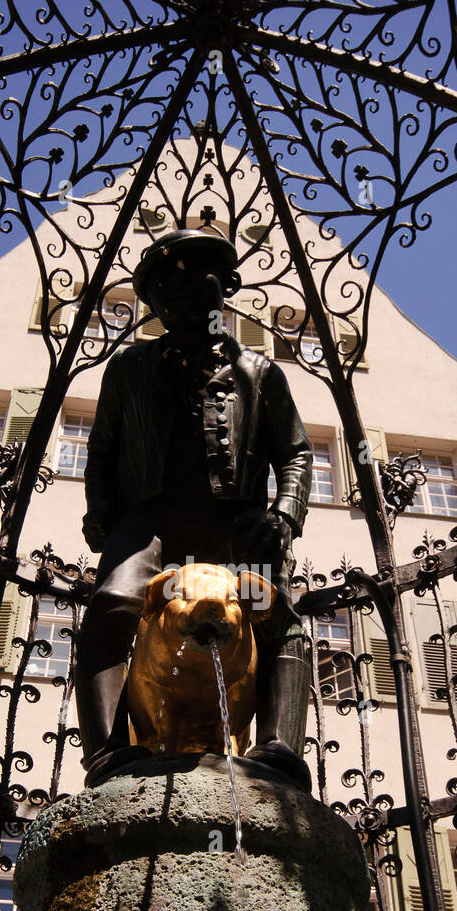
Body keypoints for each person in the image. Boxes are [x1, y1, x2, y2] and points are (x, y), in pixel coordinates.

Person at [76, 229, 313, 788]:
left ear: (226, 286)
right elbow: (102, 450)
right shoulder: (128, 368)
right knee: (111, 604)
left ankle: (278, 746)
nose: (174, 291)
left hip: (237, 529)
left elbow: (297, 452)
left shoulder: (260, 374)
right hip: (150, 524)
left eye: (192, 278)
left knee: (279, 617)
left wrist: (282, 515)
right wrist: (101, 508)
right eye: (160, 285)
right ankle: (108, 751)